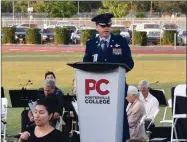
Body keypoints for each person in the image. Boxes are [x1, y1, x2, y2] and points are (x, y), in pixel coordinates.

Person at [83, 13, 134, 141]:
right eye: (103, 25)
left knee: (118, 116)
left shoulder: (119, 41)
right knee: (99, 117)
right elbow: (86, 64)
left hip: (116, 87)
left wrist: (119, 70)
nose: (106, 28)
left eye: (109, 25)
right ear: (97, 27)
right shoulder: (91, 44)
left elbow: (129, 62)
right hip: (97, 89)